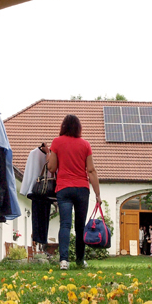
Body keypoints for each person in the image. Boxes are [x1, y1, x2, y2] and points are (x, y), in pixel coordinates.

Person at [47, 114, 102, 270]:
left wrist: (49, 155)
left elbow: (51, 168)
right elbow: (91, 170)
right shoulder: (85, 145)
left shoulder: (57, 142)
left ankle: (64, 261)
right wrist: (98, 195)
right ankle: (80, 260)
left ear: (63, 127)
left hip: (64, 189)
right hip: (82, 190)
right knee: (79, 226)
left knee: (65, 224)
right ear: (79, 128)